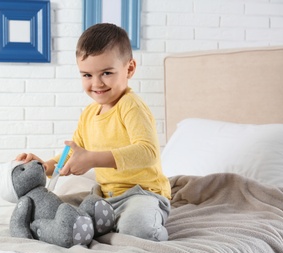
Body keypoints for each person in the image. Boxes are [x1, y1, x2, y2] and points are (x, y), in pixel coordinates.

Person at [16, 23, 171, 241]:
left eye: (106, 73)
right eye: (87, 75)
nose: (96, 83)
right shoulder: (89, 114)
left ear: (129, 69)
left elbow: (148, 152)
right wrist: (44, 166)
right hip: (104, 198)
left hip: (141, 194)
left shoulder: (130, 106)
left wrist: (92, 159)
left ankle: (152, 228)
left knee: (136, 228)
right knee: (66, 218)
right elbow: (71, 154)